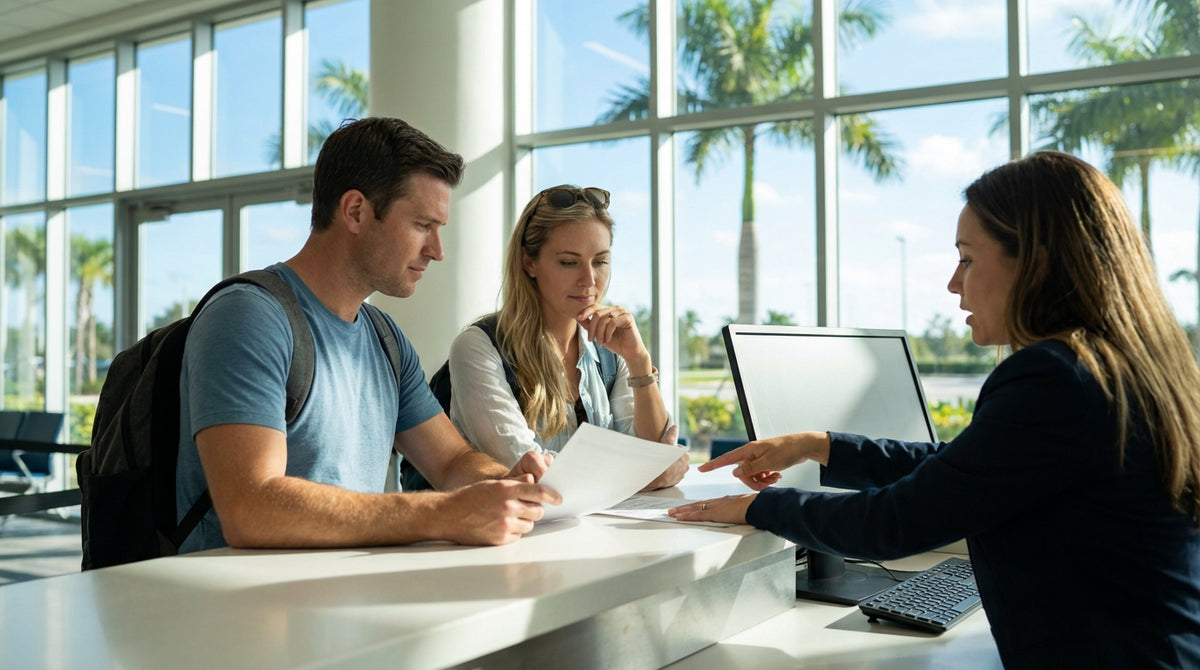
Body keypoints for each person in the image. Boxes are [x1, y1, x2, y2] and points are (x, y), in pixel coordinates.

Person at [669, 151, 1200, 668]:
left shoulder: (1055, 377)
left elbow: (894, 523)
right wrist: (821, 446)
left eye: (967, 258)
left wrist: (757, 507)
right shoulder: (1120, 364)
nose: (953, 282)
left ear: (1035, 265)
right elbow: (969, 468)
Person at [175, 117, 561, 553]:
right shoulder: (249, 316)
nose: (436, 250)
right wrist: (442, 513)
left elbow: (452, 461)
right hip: (241, 611)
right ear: (355, 211)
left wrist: (508, 482)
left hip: (342, 597)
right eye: (422, 225)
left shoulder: (384, 338)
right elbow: (251, 507)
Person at [444, 185, 688, 490]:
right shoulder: (480, 348)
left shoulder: (611, 349)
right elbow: (529, 472)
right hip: (516, 535)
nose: (589, 280)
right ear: (529, 263)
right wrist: (642, 476)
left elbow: (654, 453)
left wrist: (639, 362)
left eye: (600, 261)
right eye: (569, 262)